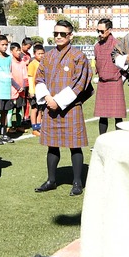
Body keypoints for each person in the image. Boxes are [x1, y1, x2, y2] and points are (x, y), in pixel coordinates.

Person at [33, 21, 93, 194]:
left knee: (75, 145)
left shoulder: (78, 56)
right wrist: (47, 97)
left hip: (71, 106)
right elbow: (39, 79)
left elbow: (80, 83)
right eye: (56, 34)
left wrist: (58, 101)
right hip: (50, 105)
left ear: (70, 36)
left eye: (62, 34)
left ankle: (77, 182)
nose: (58, 37)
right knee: (52, 145)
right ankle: (51, 180)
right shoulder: (47, 56)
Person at [91, 17, 128, 133]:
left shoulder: (118, 45)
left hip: (115, 82)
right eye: (98, 31)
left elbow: (126, 63)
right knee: (102, 115)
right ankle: (101, 140)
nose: (100, 34)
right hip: (102, 83)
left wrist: (122, 78)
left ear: (109, 30)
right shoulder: (97, 46)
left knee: (118, 115)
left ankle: (118, 142)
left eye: (102, 31)